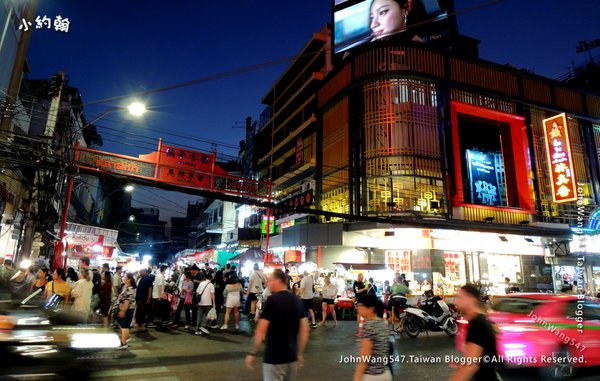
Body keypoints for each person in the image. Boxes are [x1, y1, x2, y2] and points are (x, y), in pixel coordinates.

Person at [245, 269, 309, 381]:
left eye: (270, 280)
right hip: (292, 358)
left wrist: (252, 353)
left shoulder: (272, 301)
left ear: (278, 281)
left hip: (274, 358)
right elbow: (305, 330)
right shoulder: (297, 300)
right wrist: (299, 354)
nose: (267, 283)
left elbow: (260, 331)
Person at [448, 284, 500, 381]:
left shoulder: (477, 324)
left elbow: (471, 366)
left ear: (471, 299)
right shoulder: (479, 321)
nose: (456, 301)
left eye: (460, 297)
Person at [353, 294, 392, 381]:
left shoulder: (368, 325)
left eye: (361, 305)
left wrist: (356, 378)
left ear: (371, 308)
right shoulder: (382, 323)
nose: (357, 308)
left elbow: (365, 357)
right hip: (385, 373)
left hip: (372, 376)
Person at [116, 272, 137, 349]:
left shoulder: (129, 289)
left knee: (125, 326)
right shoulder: (126, 287)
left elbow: (127, 301)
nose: (123, 278)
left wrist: (123, 310)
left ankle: (123, 343)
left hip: (126, 310)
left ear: (129, 280)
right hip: (125, 309)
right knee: (123, 325)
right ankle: (124, 339)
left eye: (125, 277)